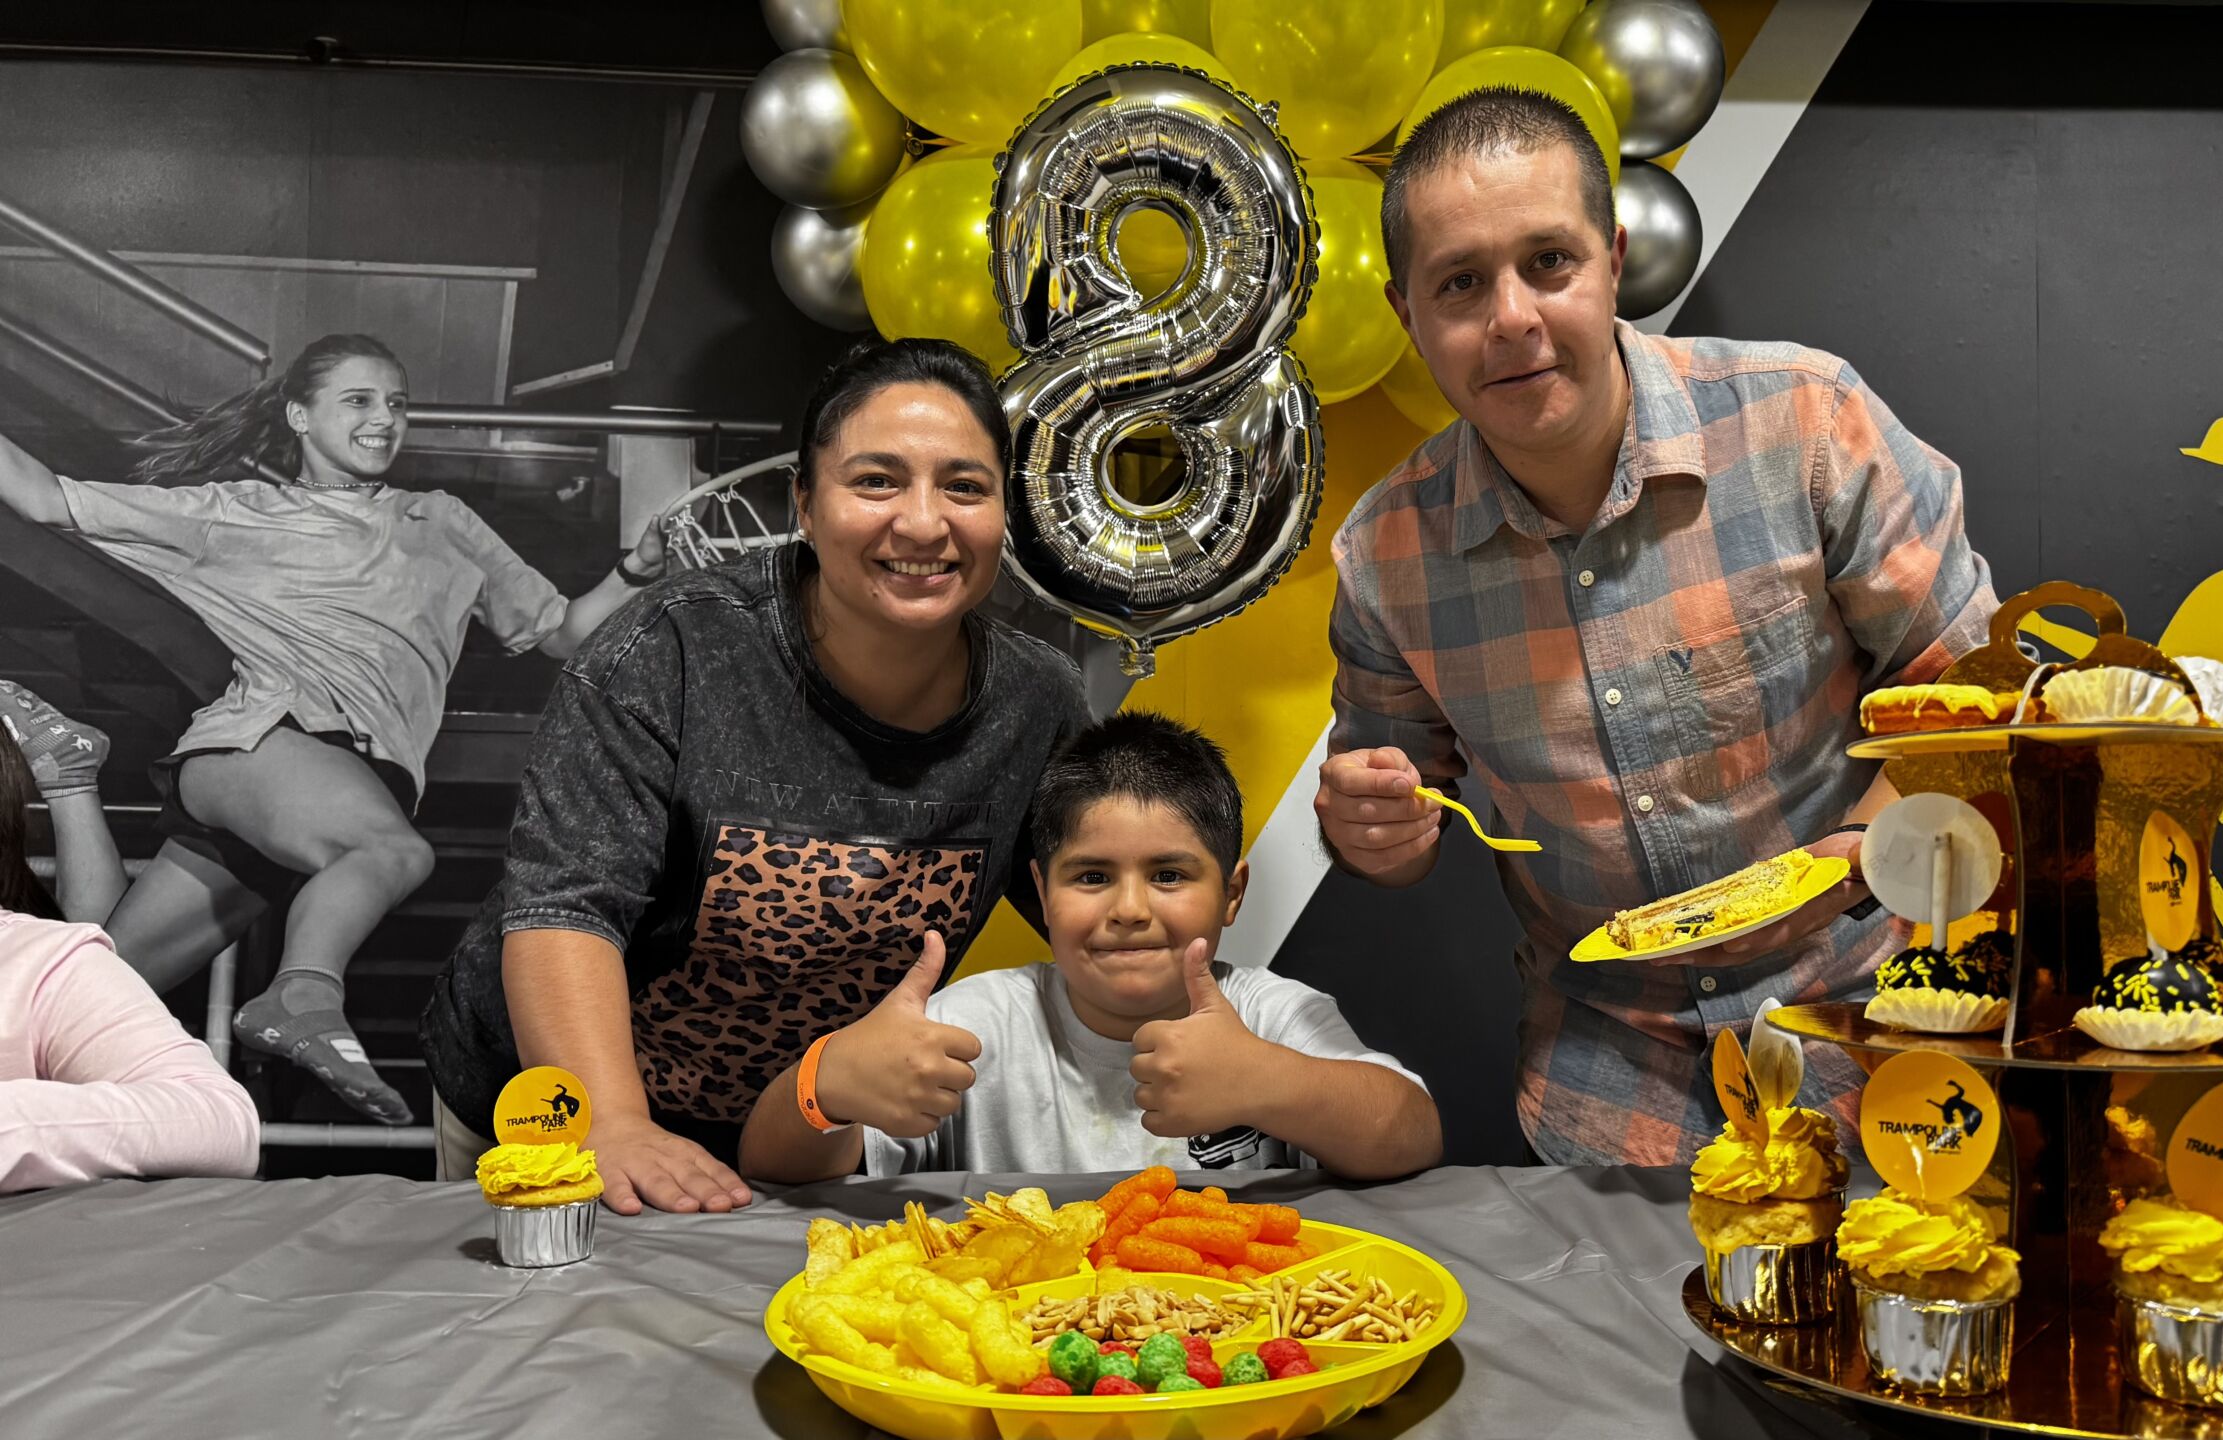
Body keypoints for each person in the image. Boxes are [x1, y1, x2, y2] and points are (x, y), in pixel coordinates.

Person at [1315, 90, 1998, 1166]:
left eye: (1549, 262)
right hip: (1610, 1084)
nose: (1511, 317)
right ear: (1409, 316)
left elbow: (1977, 694)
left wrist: (1865, 854)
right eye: (1461, 283)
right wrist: (1369, 833)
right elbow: (1394, 824)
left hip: (1884, 1030)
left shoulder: (1805, 420)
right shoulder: (1383, 558)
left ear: (1613, 261)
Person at [422, 337, 1088, 1215]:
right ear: (804, 505)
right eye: (877, 481)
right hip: (560, 1108)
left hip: (794, 1136)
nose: (924, 523)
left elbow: (1099, 908)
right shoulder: (668, 649)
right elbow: (564, 910)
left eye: (965, 487)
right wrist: (612, 1123)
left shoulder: (1038, 703)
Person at [0, 333, 668, 1125]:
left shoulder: (443, 522)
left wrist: (634, 572)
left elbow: (562, 632)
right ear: (299, 417)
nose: (385, 418)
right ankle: (304, 995)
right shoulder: (236, 513)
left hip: (342, 787)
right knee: (392, 854)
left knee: (102, 984)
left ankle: (71, 776)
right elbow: (42, 498)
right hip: (267, 744)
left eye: (396, 403)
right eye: (358, 400)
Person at [738, 712, 1442, 1183]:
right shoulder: (973, 1024)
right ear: (1043, 896)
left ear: (1231, 893)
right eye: (1093, 877)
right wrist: (826, 1081)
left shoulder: (1270, 1014)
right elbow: (769, 1163)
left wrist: (1270, 1082)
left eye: (1169, 876)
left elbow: (1413, 1134)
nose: (1129, 911)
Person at [0, 726, 259, 1192]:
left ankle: (71, 779)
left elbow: (221, 1121)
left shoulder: (41, 961)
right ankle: (70, 780)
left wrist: (16, 1122)